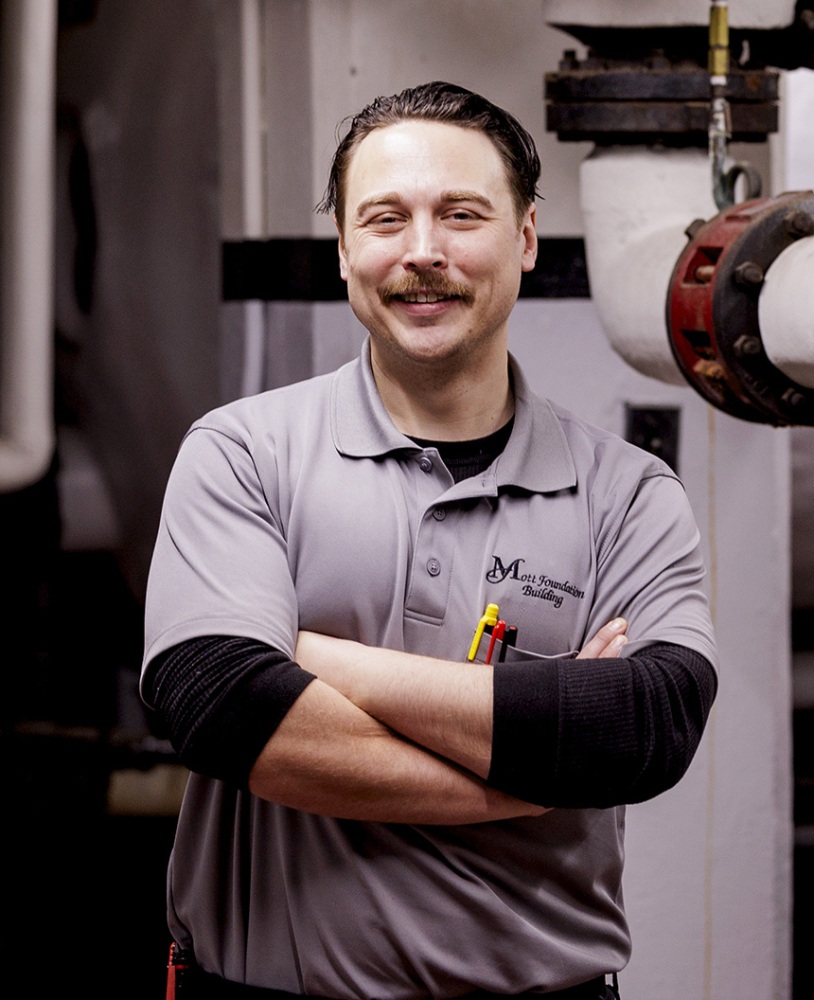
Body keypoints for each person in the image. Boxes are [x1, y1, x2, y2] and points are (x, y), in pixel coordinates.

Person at [141, 81, 718, 1000]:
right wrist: (533, 767)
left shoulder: (628, 494)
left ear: (525, 238)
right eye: (384, 219)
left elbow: (642, 730)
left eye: (461, 215)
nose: (422, 253)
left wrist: (314, 661)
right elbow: (222, 709)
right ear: (342, 249)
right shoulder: (242, 453)